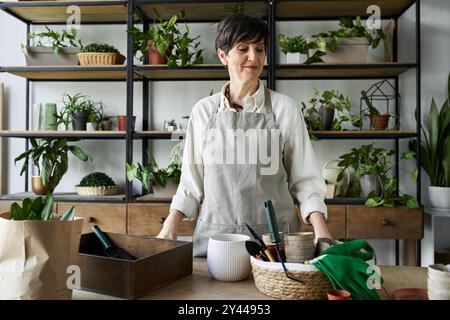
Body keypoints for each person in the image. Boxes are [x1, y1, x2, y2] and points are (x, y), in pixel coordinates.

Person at [157, 13, 332, 256]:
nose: (253, 57)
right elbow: (191, 181)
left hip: (276, 242)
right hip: (216, 242)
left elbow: (305, 179)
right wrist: (170, 225)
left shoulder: (285, 108)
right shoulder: (203, 112)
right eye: (243, 49)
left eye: (259, 49)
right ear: (222, 55)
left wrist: (321, 231)